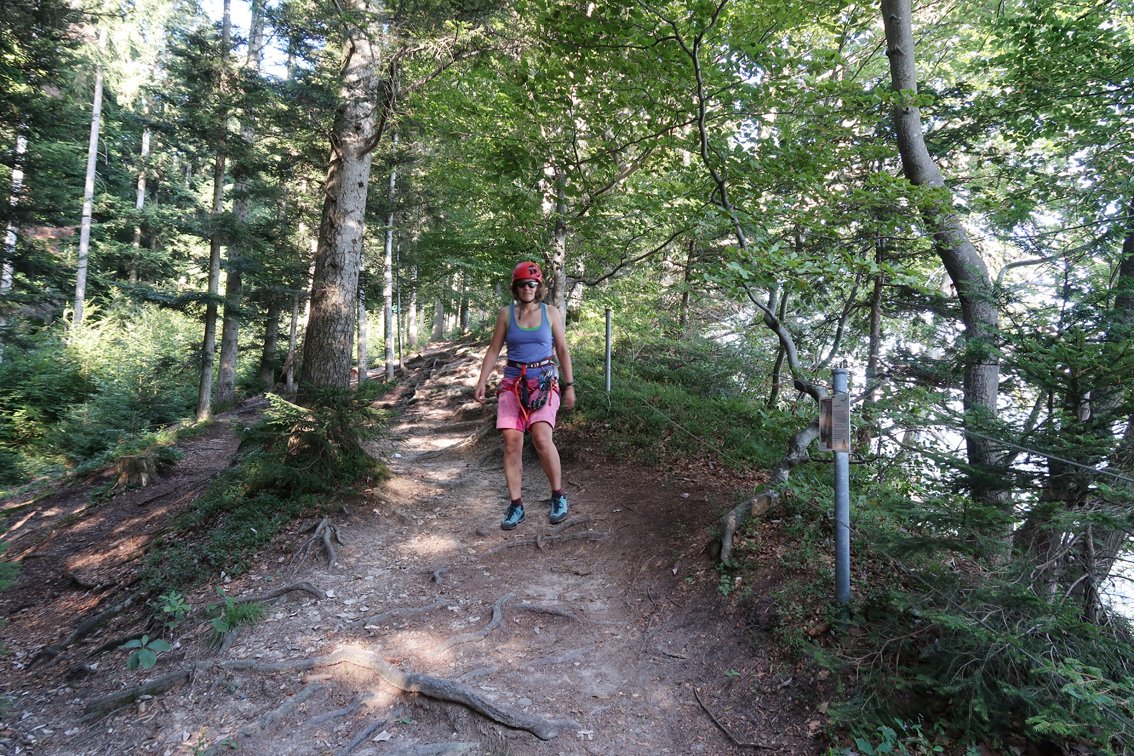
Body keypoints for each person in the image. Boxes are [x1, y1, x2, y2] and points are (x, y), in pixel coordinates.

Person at [474, 261, 576, 530]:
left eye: (532, 283)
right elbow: (493, 350)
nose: (527, 288)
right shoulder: (505, 315)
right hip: (513, 383)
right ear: (515, 287)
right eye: (522, 284)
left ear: (538, 286)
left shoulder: (550, 313)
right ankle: (516, 505)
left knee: (542, 438)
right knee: (511, 442)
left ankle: (558, 496)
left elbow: (562, 350)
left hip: (543, 381)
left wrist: (570, 385)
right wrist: (482, 382)